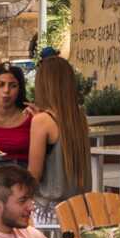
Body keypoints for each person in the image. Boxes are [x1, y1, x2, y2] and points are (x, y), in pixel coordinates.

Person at [27, 55, 91, 204]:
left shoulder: (41, 121)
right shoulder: (79, 118)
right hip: (79, 208)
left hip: (47, 211)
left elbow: (33, 176)